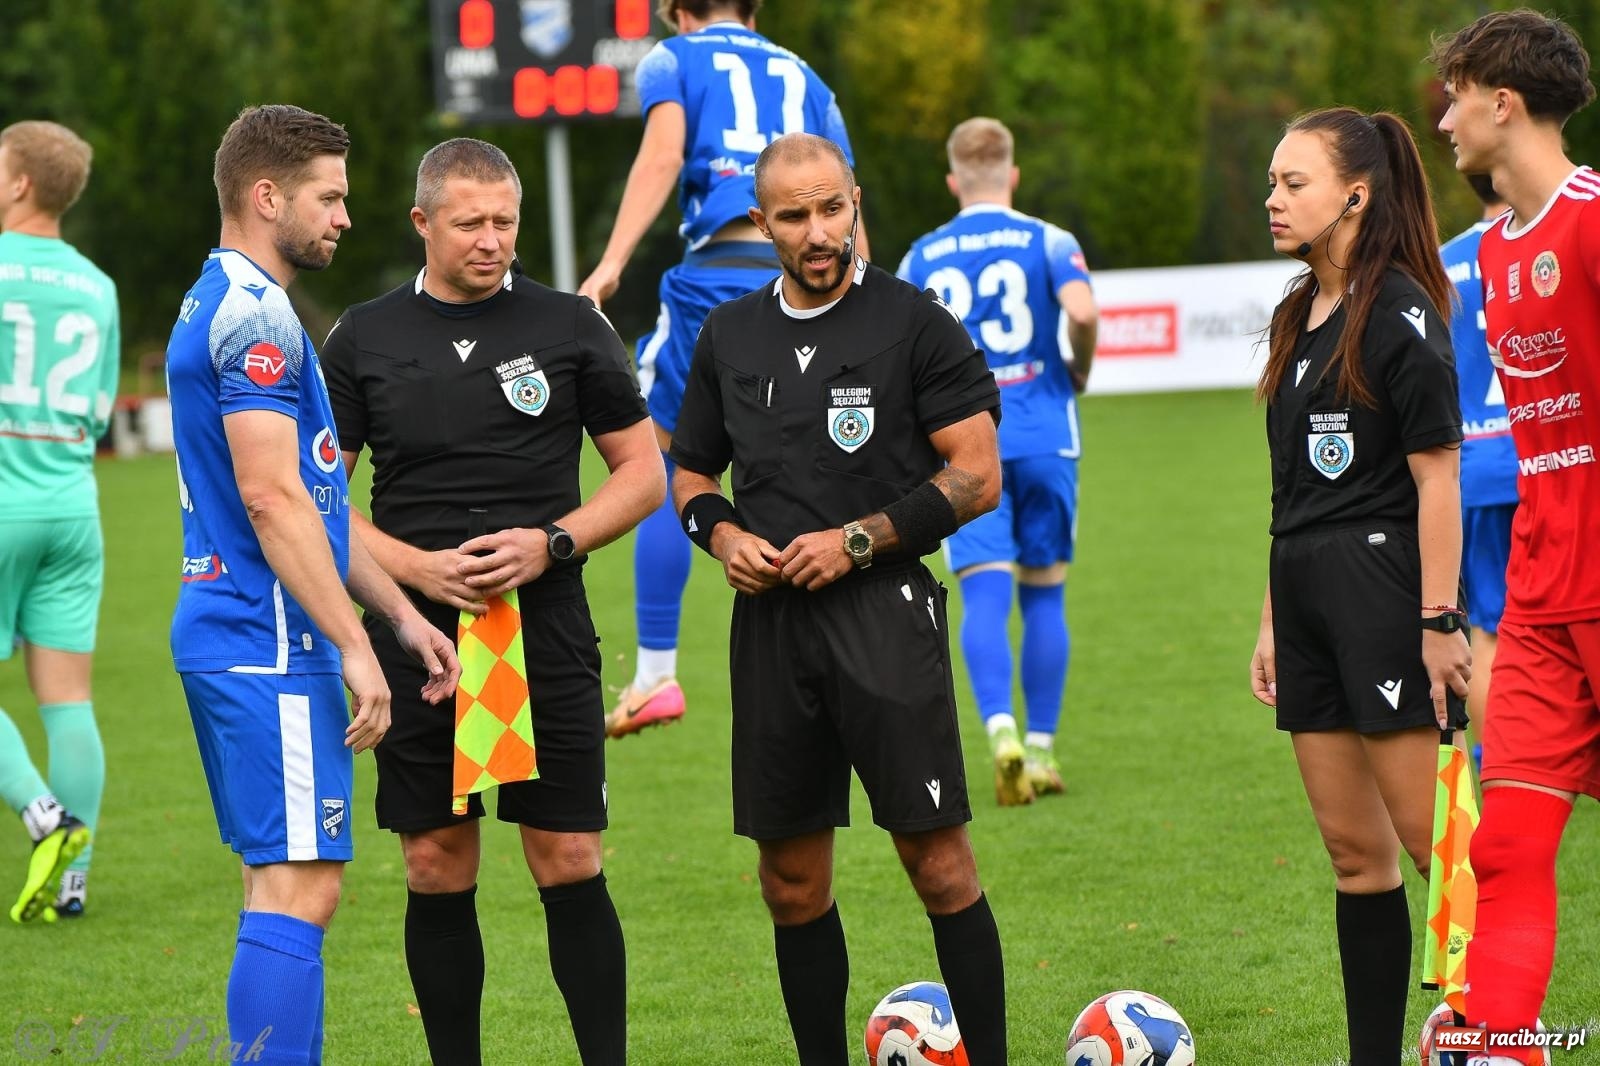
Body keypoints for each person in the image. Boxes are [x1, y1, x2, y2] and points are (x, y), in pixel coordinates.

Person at [321, 137, 663, 1066]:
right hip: (418, 633)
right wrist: (414, 572)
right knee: (436, 862)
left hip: (543, 625)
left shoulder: (571, 326)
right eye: (468, 223)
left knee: (568, 859)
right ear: (422, 223)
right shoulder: (361, 336)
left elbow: (643, 476)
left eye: (505, 222)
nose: (490, 240)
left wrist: (550, 543)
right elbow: (322, 500)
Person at [670, 132, 1007, 1066]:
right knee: (789, 881)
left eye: (831, 209)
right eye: (794, 216)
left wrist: (858, 540)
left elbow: (975, 478)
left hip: (884, 618)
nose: (817, 232)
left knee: (938, 867)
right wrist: (725, 536)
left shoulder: (912, 321)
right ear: (760, 221)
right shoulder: (729, 334)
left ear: (855, 200)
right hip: (772, 630)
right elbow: (691, 473)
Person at [165, 104, 460, 1064]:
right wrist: (350, 643)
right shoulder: (252, 313)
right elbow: (272, 500)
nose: (343, 215)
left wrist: (401, 617)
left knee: (280, 886)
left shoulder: (234, 296)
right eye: (327, 196)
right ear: (265, 195)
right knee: (302, 889)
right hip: (266, 637)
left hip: (248, 631)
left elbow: (317, 502)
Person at [1250, 107, 1471, 1065]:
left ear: (1356, 192)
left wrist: (1437, 622)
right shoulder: (1300, 313)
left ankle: (1501, 1037)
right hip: (1304, 600)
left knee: (1441, 857)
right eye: (1271, 182)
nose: (1273, 199)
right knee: (1356, 857)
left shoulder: (1403, 311)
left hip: (1384, 595)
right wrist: (1269, 618)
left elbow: (1438, 479)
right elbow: (1290, 488)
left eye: (1293, 183)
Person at [578, 0, 864, 738]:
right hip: (813, 278)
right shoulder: (808, 76)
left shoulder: (674, 58)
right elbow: (844, 201)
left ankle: (655, 675)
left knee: (668, 460)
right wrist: (869, 291)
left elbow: (665, 155)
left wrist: (609, 266)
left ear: (676, 11)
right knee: (826, 459)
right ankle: (849, 652)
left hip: (719, 271)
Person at [1435, 12, 1600, 1063]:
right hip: (1539, 590)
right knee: (1506, 843)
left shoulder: (1593, 219)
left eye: (1453, 95)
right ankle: (1500, 1044)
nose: (1442, 117)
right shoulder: (1493, 252)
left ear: (1504, 100)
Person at [897, 117, 1098, 807]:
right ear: (1012, 175)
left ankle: (1002, 734)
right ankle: (1042, 749)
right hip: (1045, 435)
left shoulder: (923, 254)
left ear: (954, 180)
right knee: (1046, 590)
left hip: (966, 445)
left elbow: (902, 350)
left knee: (984, 591)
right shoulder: (1050, 238)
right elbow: (1083, 309)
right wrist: (1078, 369)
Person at [0, 120, 116, 923]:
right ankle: (71, 886)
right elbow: (100, 412)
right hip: (73, 507)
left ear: (17, 184)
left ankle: (46, 817)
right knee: (67, 700)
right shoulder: (98, 286)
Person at [1438, 173, 1518, 771]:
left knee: (1489, 626)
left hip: (1473, 466)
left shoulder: (1442, 266)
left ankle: (1499, 761)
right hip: (1545, 457)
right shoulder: (1548, 241)